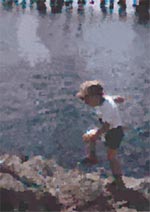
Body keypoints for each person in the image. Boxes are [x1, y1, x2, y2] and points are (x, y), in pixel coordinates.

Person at [76, 80, 125, 187]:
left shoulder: (108, 108)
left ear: (94, 97)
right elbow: (111, 98)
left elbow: (106, 126)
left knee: (111, 157)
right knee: (90, 137)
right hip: (110, 130)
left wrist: (96, 135)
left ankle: (119, 181)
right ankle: (92, 156)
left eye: (86, 99)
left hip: (114, 132)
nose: (86, 102)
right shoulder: (103, 100)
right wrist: (118, 98)